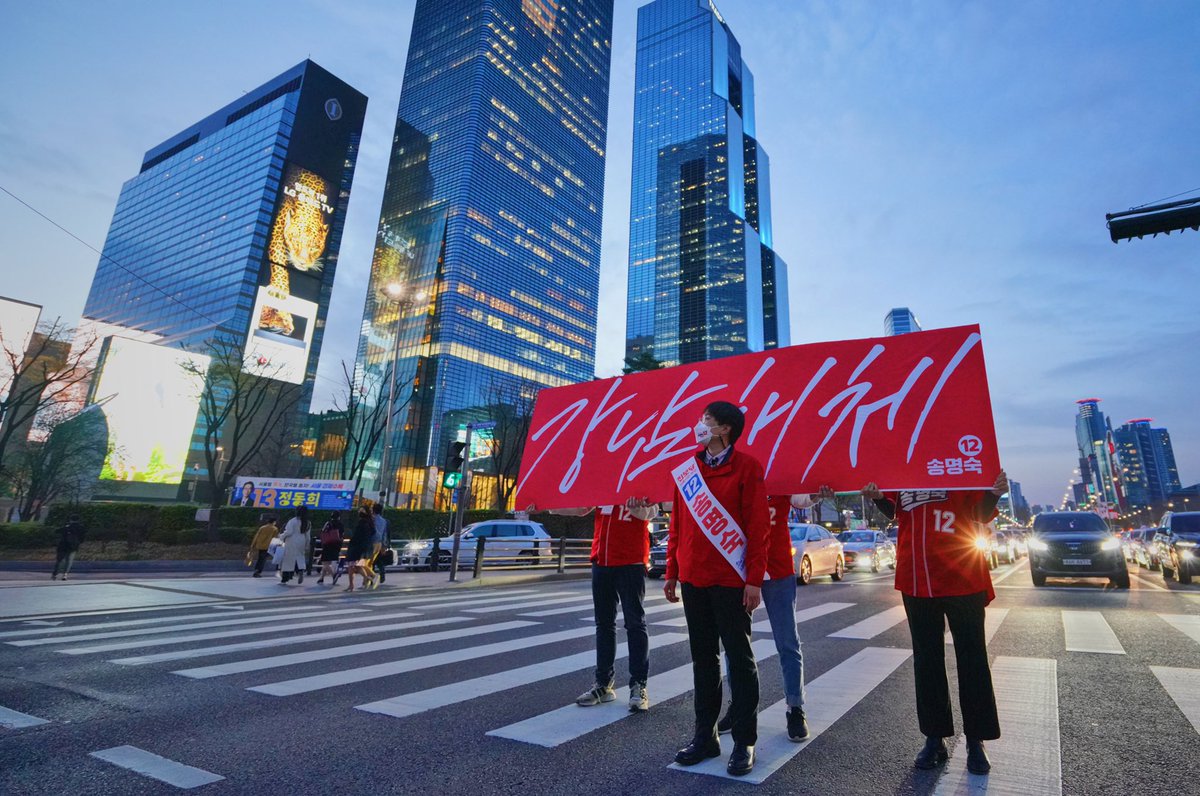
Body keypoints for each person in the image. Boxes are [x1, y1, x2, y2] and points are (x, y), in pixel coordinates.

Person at [861, 469, 1009, 776]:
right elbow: (895, 509)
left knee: (973, 658)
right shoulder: (904, 461)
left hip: (962, 575)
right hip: (916, 576)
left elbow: (980, 513)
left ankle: (976, 740)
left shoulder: (957, 460)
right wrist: (877, 497)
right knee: (926, 660)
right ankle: (934, 738)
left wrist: (995, 491)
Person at [664, 400, 769, 777]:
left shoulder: (747, 468)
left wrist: (754, 579)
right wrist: (672, 571)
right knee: (703, 659)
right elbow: (677, 523)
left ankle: (744, 741)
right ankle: (705, 736)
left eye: (707, 420)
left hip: (730, 580)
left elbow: (758, 528)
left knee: (739, 659)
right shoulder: (687, 471)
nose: (700, 424)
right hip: (694, 578)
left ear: (725, 429)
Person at [536, 497, 659, 712]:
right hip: (601, 560)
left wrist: (637, 506)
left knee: (635, 623)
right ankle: (603, 684)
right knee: (604, 624)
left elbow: (652, 512)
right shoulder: (603, 482)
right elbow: (582, 506)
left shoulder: (638, 477)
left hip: (631, 561)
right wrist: (545, 505)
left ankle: (638, 685)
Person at [716, 493, 817, 743]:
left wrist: (817, 492)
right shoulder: (737, 471)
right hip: (741, 567)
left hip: (778, 567)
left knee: (787, 643)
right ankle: (739, 705)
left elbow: (802, 498)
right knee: (735, 645)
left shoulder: (780, 471)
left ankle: (795, 708)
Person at [343, 507, 376, 592]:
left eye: (361, 511)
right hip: (362, 548)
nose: (359, 512)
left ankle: (365, 578)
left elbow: (357, 536)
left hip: (356, 547)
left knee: (352, 566)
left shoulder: (362, 523)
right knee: (356, 566)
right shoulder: (369, 523)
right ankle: (354, 583)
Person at [278, 505, 310, 584]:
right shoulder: (308, 522)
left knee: (288, 560)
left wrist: (281, 537)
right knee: (300, 558)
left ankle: (285, 578)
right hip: (302, 541)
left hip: (291, 541)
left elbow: (288, 532)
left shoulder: (293, 521)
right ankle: (300, 570)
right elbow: (308, 535)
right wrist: (307, 544)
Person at [51, 514, 86, 581]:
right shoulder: (81, 528)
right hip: (73, 546)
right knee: (69, 561)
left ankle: (55, 574)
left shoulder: (67, 527)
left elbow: (57, 531)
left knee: (60, 560)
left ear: (70, 520)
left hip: (63, 546)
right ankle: (65, 575)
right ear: (78, 520)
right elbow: (82, 538)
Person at [316, 511, 344, 585]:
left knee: (325, 562)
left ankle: (334, 575)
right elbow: (342, 534)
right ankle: (321, 578)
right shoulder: (341, 524)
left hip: (328, 544)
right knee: (328, 562)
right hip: (337, 545)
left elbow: (322, 531)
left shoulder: (328, 523)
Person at [371, 502, 390, 585]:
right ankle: (382, 572)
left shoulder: (371, 519)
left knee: (370, 561)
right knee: (378, 560)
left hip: (371, 542)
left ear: (373, 510)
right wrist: (384, 545)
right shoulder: (384, 521)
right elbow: (385, 533)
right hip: (380, 543)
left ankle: (370, 578)